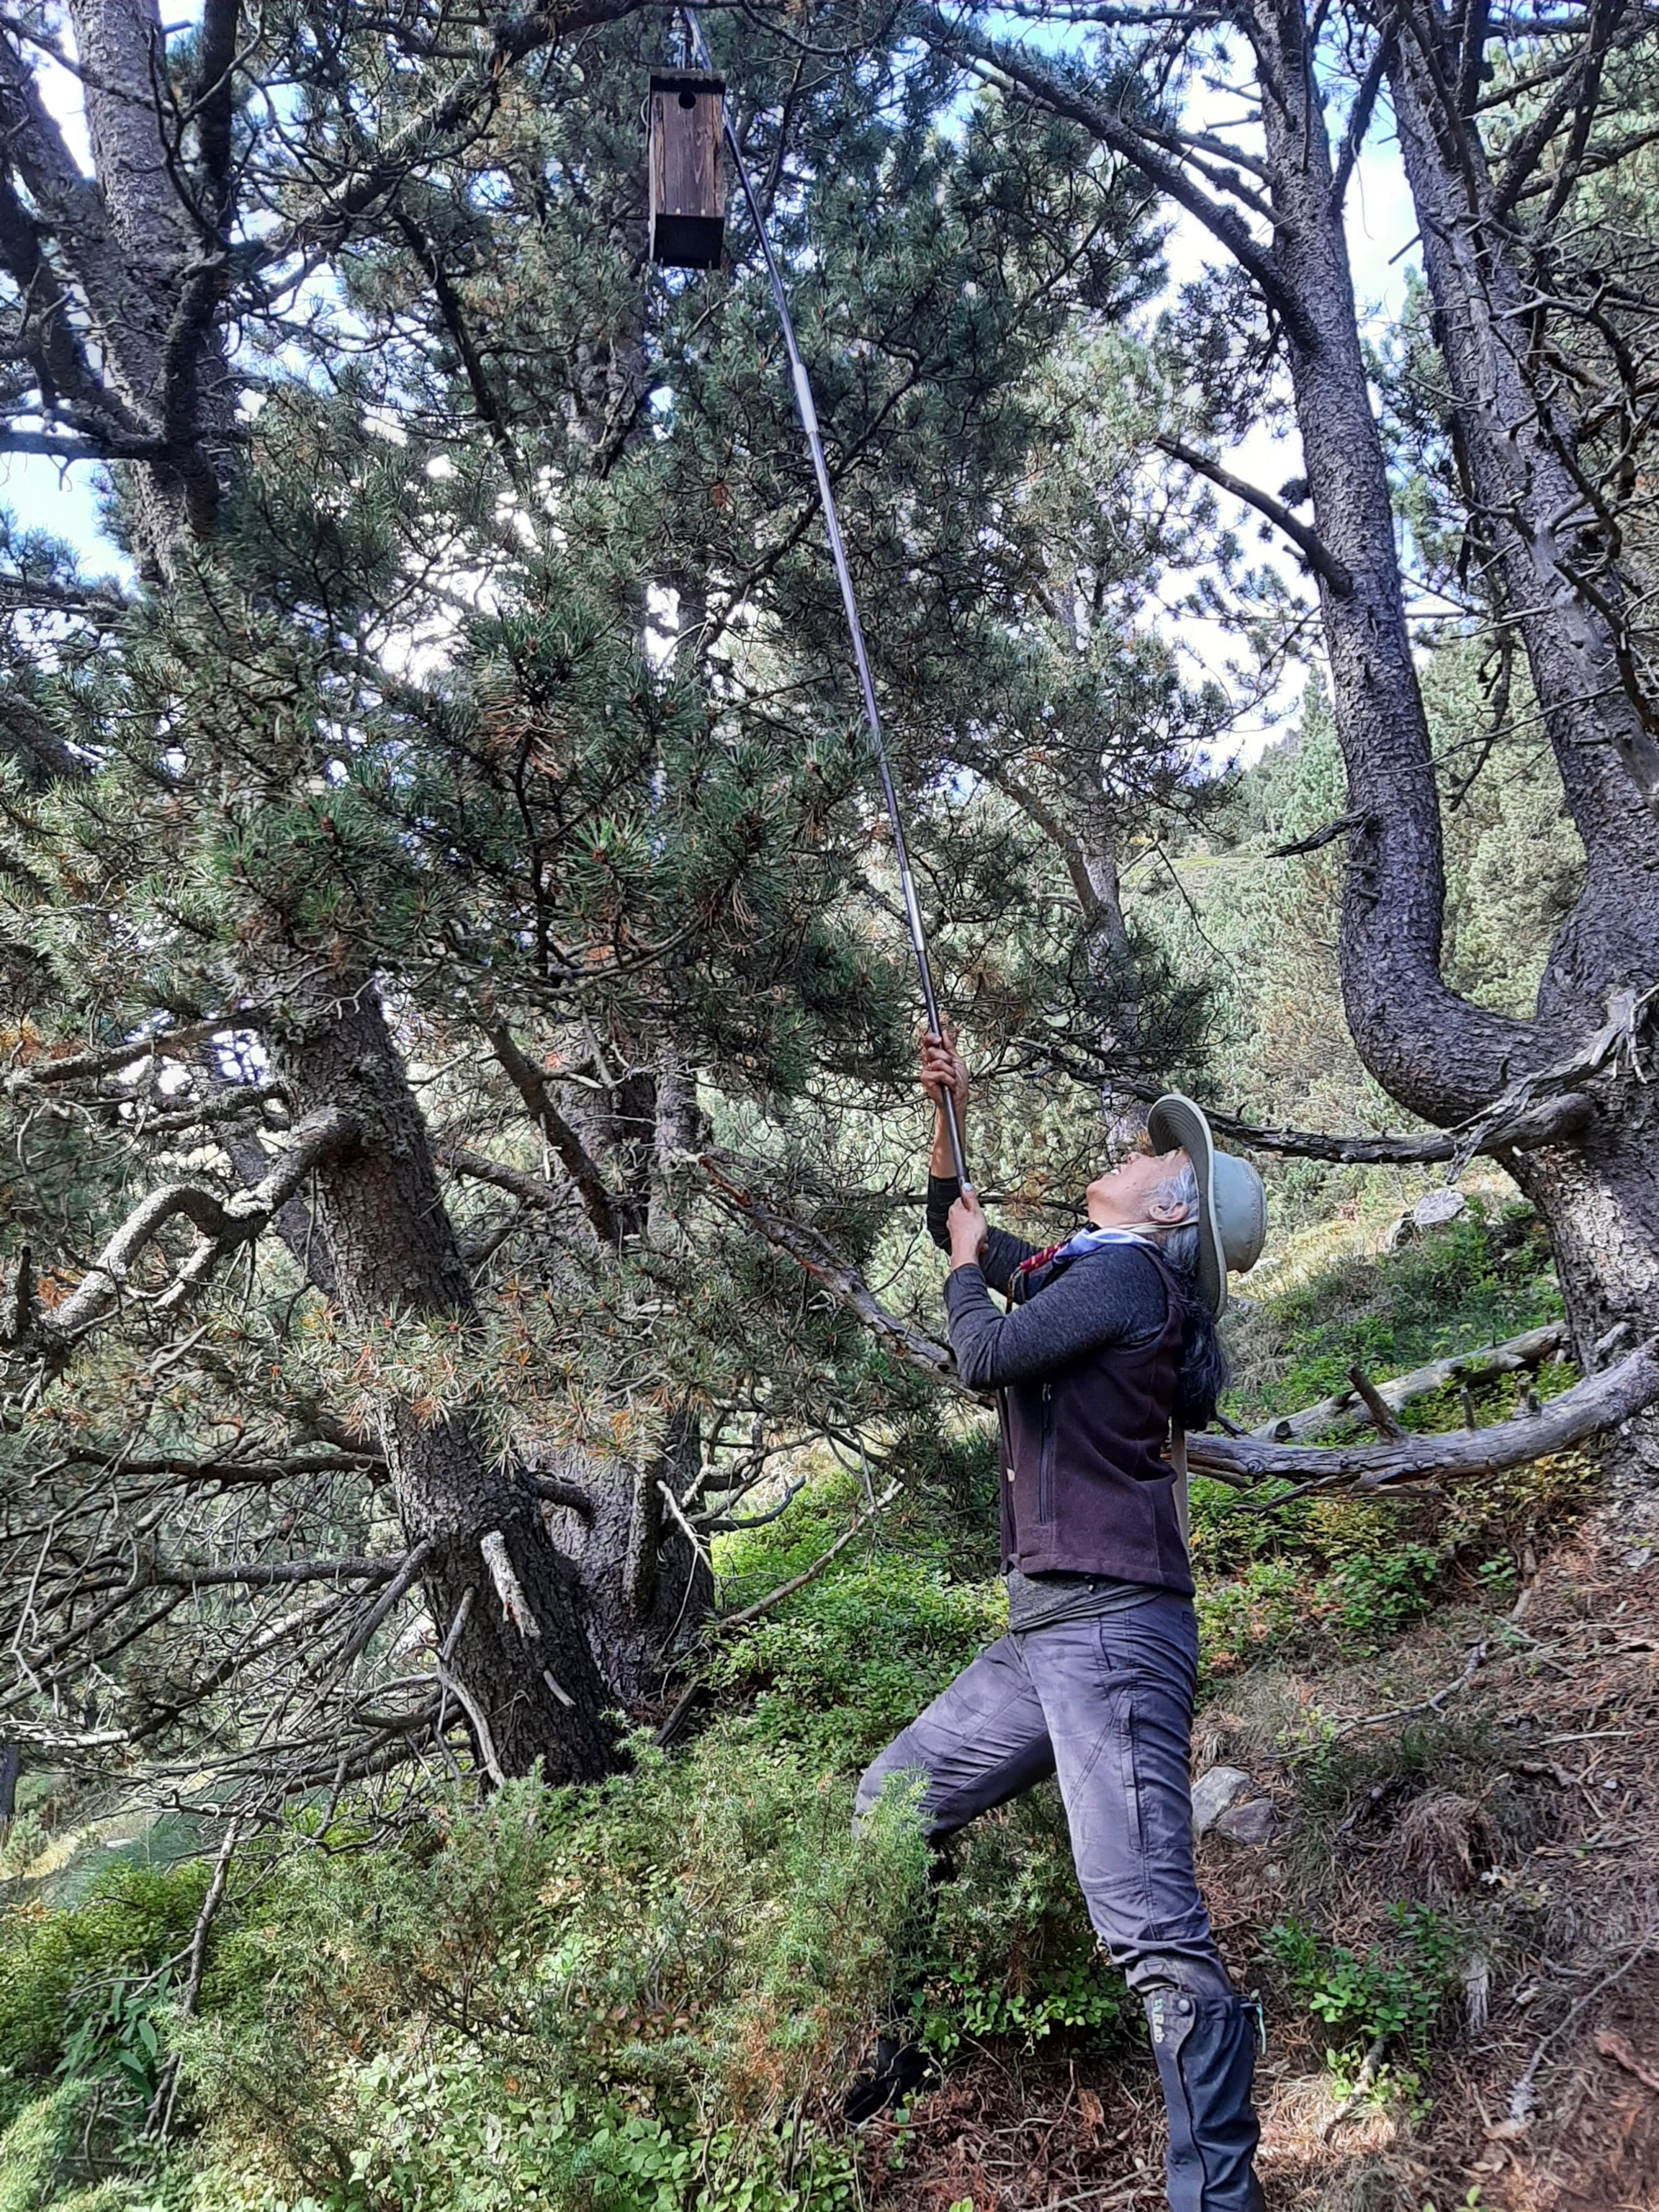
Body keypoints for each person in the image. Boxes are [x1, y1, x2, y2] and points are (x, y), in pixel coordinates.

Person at [853, 1030, 1269, 2212]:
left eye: (1157, 1155)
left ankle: (1219, 2199)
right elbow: (961, 1221)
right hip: (1050, 1628)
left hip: (1110, 1629)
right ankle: (909, 2049)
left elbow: (983, 1348)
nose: (1137, 1149)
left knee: (1148, 1925)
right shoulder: (1100, 1271)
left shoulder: (1131, 1279)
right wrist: (950, 1111)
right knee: (894, 1803)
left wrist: (965, 1271)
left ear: (1173, 1212)